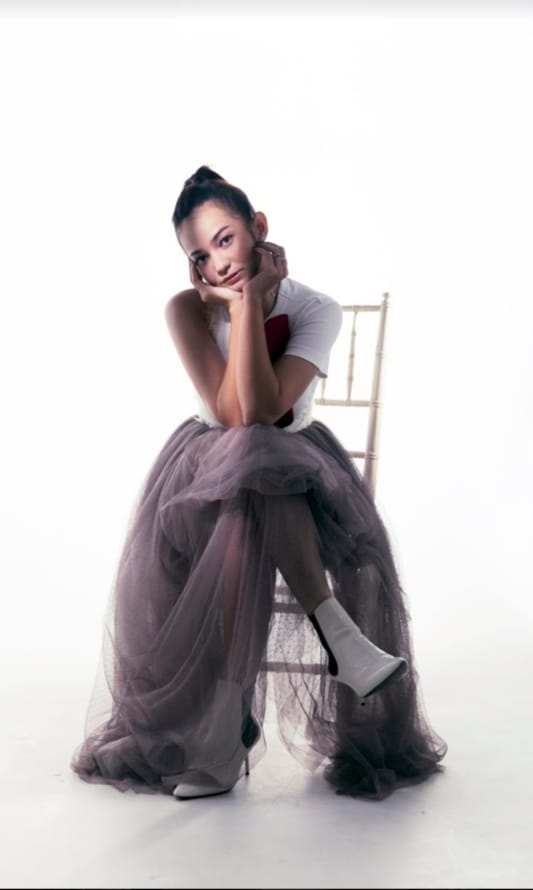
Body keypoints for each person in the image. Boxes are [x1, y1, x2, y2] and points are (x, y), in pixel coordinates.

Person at [71, 165, 447, 801]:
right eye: (199, 255)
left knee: (259, 478)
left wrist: (249, 305)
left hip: (302, 474)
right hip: (202, 478)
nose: (216, 263)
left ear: (259, 228)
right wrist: (243, 305)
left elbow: (271, 413)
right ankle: (343, 641)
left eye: (225, 240)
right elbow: (235, 416)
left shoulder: (316, 309)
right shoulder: (185, 309)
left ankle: (222, 739)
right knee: (246, 476)